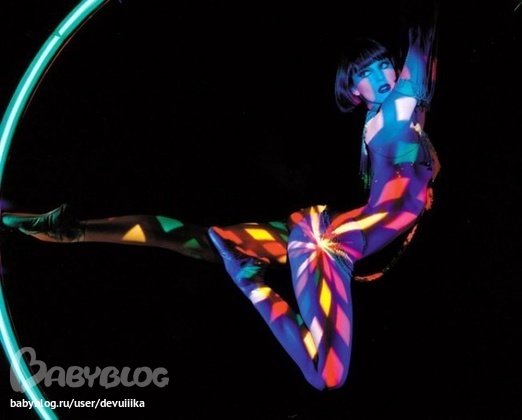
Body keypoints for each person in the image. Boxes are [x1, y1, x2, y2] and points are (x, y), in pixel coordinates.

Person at [1, 8, 440, 391]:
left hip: (327, 226)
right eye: (366, 72)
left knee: (203, 241)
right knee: (328, 375)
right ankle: (252, 284)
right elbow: (423, 31)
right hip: (332, 241)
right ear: (353, 92)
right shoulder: (404, 102)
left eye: (384, 64)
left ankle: (77, 230)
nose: (381, 75)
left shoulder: (385, 121)